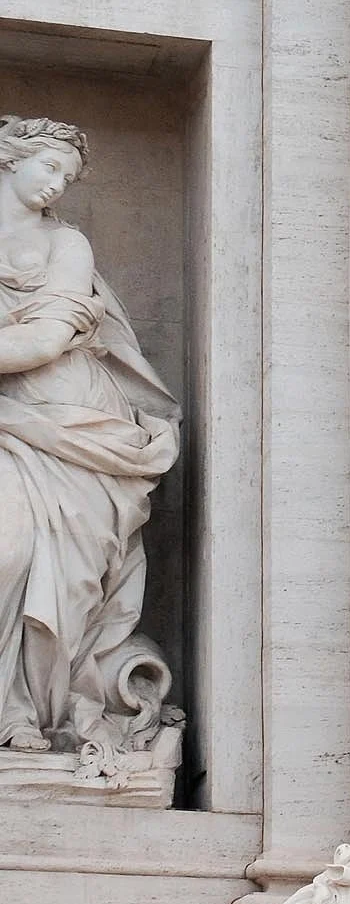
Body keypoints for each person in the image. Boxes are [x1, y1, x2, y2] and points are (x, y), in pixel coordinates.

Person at [0, 118, 178, 754]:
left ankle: (29, 715)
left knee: (64, 572)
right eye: (48, 167)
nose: (57, 185)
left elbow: (46, 340)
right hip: (12, 422)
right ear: (8, 157)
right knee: (8, 552)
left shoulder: (66, 244)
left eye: (68, 178)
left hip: (72, 420)